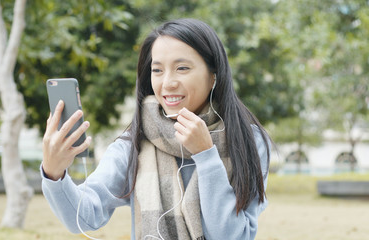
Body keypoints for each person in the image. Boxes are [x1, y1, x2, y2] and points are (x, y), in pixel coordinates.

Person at [41, 18, 271, 240]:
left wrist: (206, 155)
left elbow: (230, 236)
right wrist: (54, 173)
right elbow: (83, 218)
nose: (167, 82)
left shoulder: (249, 140)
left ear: (213, 76)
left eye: (182, 68)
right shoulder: (135, 142)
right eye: (157, 70)